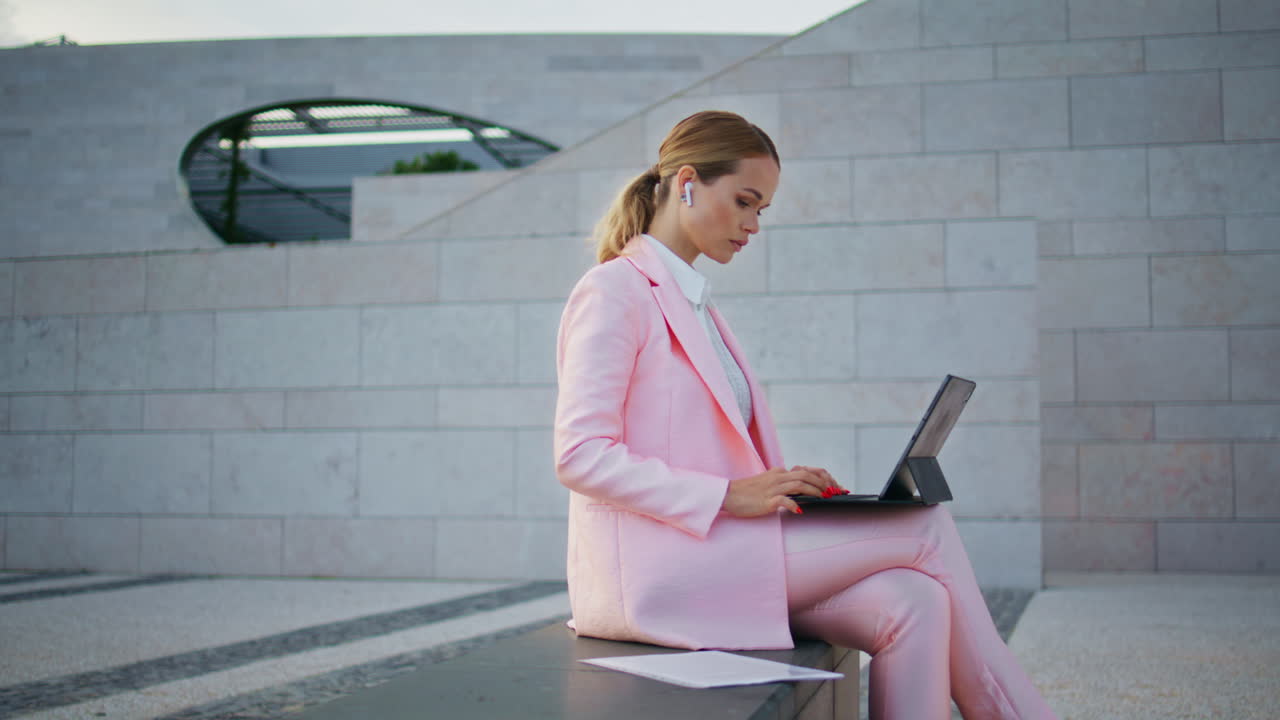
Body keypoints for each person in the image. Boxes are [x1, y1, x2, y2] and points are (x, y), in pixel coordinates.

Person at [553, 110, 1057, 720]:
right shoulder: (615, 290)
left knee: (916, 600)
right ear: (687, 181)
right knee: (923, 528)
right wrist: (729, 495)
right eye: (745, 201)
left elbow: (702, 448)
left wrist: (782, 485)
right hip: (658, 570)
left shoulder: (696, 304)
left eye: (761, 209)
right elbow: (580, 455)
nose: (753, 225)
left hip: (723, 549)